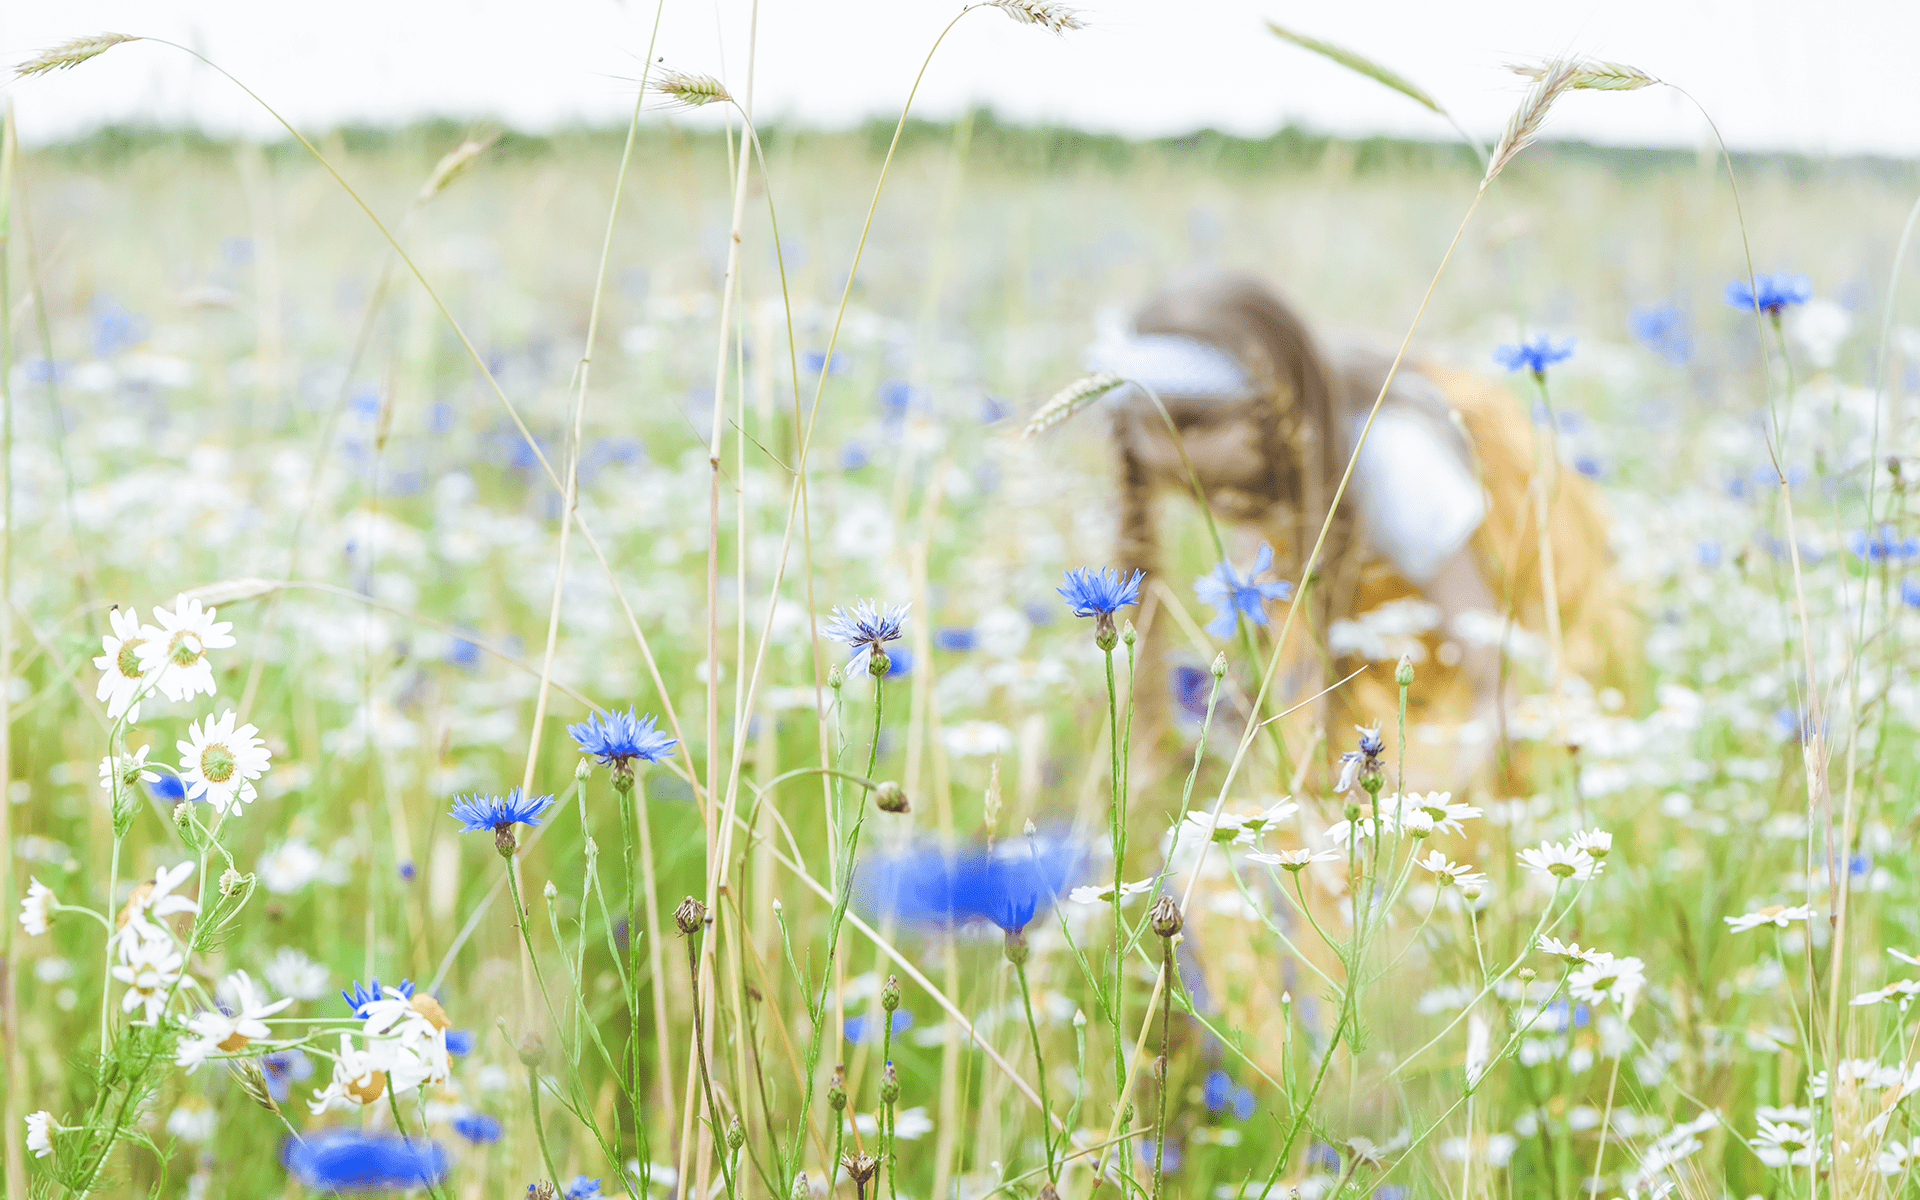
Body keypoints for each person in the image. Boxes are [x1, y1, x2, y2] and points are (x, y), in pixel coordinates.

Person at [1082, 270, 1633, 787]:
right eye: (1141, 422)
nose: (1163, 450)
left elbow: (1500, 680)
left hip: (1481, 626)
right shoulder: (1270, 465)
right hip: (1389, 621)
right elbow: (1294, 623)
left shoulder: (1393, 462)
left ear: (1276, 411)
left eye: (1192, 423)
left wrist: (1417, 809)